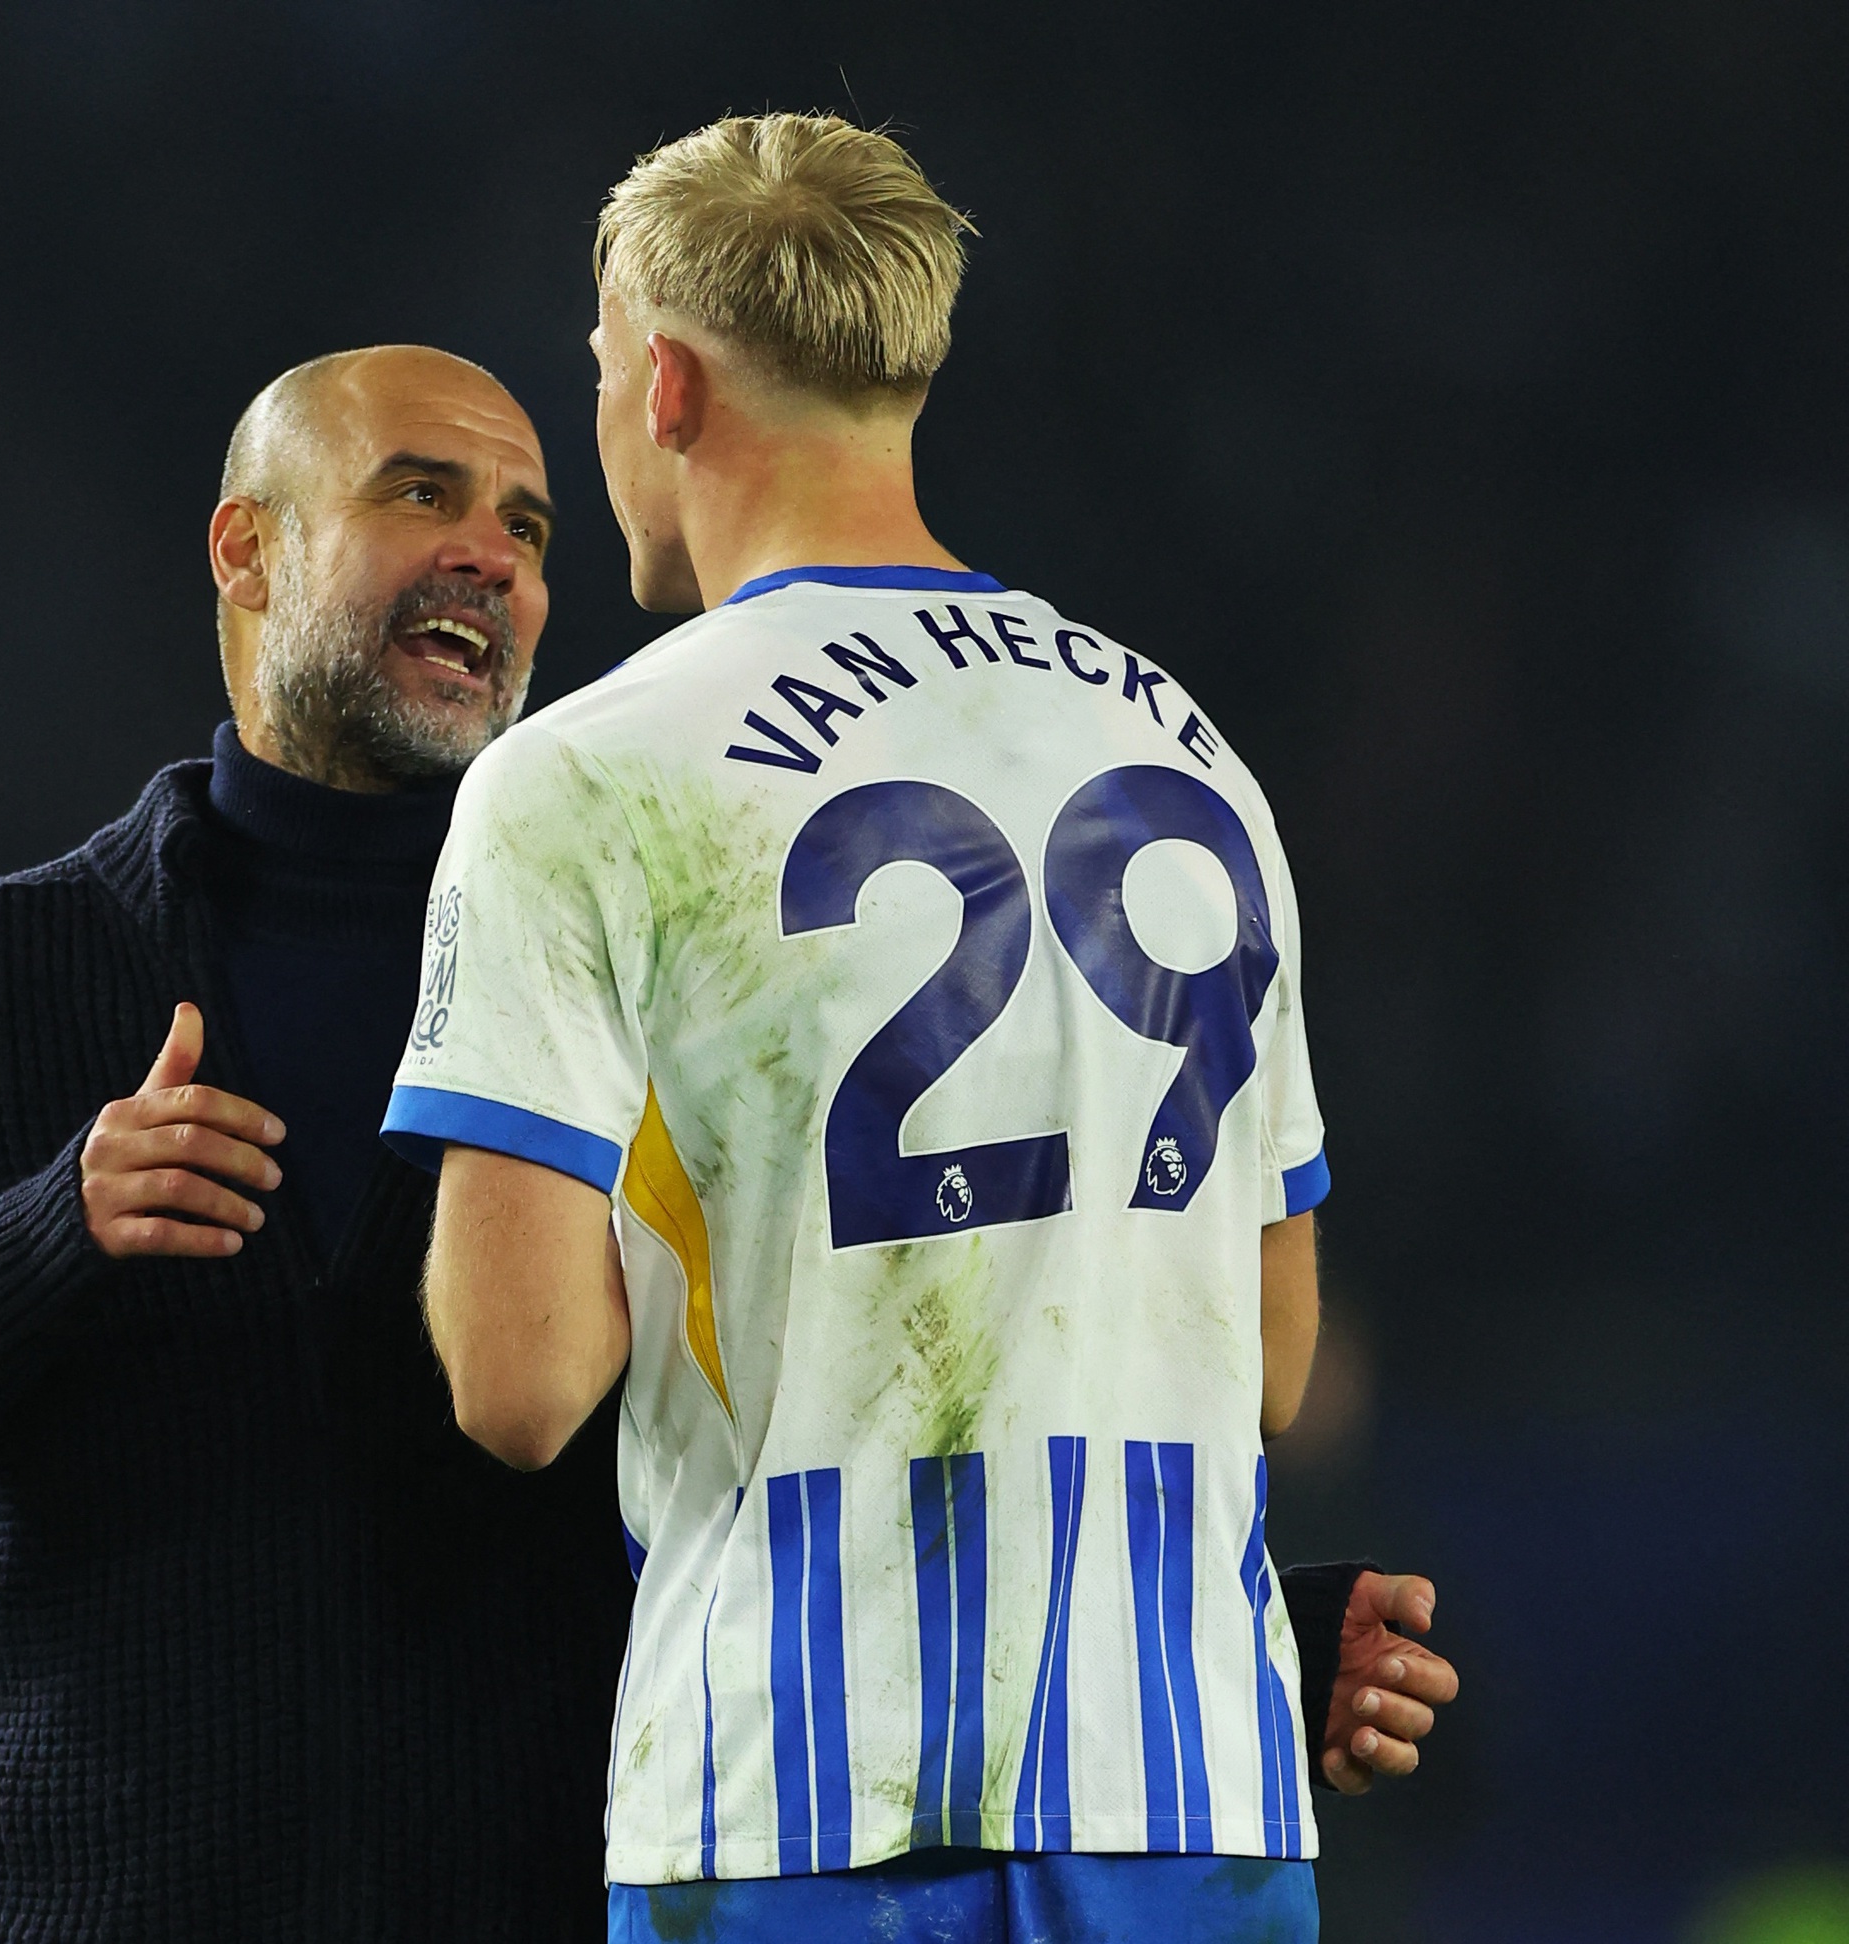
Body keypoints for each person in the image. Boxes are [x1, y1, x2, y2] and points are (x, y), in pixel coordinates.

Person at [0, 341, 1445, 1939]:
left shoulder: (668, 931)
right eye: (418, 494)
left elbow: (892, 1399)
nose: (494, 555)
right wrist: (52, 1228)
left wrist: (1226, 1654)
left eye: (527, 522)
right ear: (246, 552)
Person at [393, 116, 1449, 1943]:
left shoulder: (580, 782)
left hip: (797, 1799)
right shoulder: (1184, 746)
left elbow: (518, 1385)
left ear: (662, 379)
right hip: (1193, 1788)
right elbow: (1271, 1365)